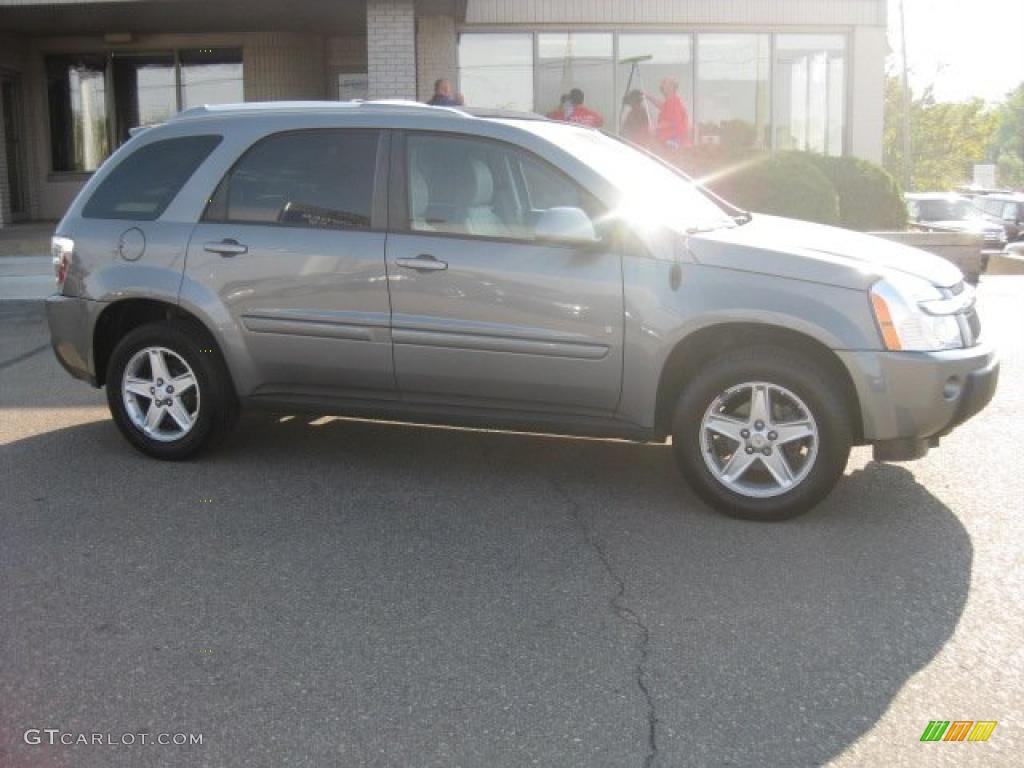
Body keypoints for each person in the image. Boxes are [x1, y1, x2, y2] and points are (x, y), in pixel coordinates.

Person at [645, 77, 692, 150]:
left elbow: (673, 122)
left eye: (664, 85)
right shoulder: (670, 101)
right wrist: (649, 97)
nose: (661, 87)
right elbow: (662, 106)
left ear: (671, 88)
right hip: (672, 139)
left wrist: (655, 127)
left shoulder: (673, 102)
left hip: (675, 141)